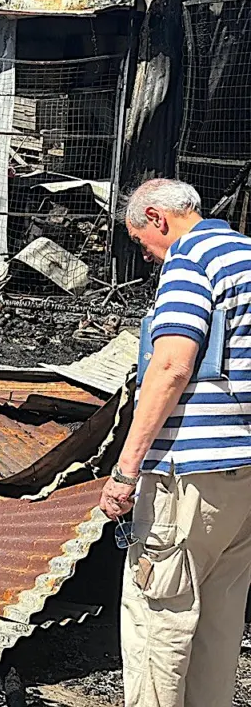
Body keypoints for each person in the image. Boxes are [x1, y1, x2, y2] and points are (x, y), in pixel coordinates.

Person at [99, 178, 251, 707]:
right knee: (219, 618)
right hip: (243, 472)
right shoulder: (245, 254)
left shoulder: (191, 260)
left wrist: (125, 470)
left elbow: (170, 365)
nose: (147, 254)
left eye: (142, 241)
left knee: (157, 615)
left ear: (159, 218)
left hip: (189, 472)